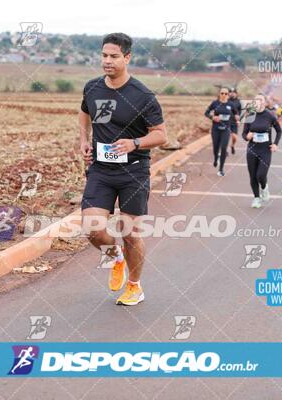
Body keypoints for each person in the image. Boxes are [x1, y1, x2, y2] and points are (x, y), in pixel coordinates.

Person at [79, 33, 167, 305]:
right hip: (101, 170)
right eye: (104, 55)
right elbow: (84, 113)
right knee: (92, 228)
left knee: (130, 232)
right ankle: (114, 257)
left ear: (127, 58)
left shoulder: (142, 96)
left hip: (134, 171)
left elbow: (161, 135)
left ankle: (134, 286)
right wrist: (84, 140)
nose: (107, 61)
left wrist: (135, 143)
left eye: (114, 56)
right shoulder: (92, 88)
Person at [242, 94, 282, 208]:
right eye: (256, 100)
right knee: (253, 176)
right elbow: (244, 134)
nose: (258, 102)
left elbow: (279, 131)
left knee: (261, 175)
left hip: (265, 149)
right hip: (252, 149)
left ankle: (264, 188)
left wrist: (275, 144)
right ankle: (256, 198)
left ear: (264, 103)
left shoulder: (270, 116)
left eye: (260, 100)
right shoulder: (250, 115)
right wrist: (247, 136)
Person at [205, 87, 236, 176]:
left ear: (228, 95)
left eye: (226, 93)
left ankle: (221, 169)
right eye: (222, 93)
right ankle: (215, 158)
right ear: (219, 94)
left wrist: (236, 118)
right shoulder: (215, 103)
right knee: (216, 148)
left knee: (223, 148)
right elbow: (206, 113)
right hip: (215, 129)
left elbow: (236, 114)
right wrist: (212, 117)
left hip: (226, 129)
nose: (223, 95)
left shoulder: (231, 104)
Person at [229, 88, 242, 154]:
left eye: (234, 92)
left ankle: (232, 145)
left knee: (234, 137)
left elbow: (239, 112)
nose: (232, 93)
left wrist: (238, 120)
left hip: (234, 122)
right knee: (226, 137)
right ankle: (224, 150)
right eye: (230, 92)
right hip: (227, 122)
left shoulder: (238, 102)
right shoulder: (227, 101)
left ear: (236, 94)